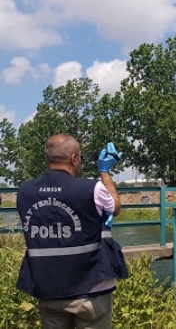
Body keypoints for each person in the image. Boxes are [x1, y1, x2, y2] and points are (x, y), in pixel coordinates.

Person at [16, 134, 127, 329]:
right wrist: (104, 171)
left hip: (48, 291)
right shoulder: (92, 189)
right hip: (90, 290)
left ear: (48, 158)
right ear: (74, 158)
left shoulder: (25, 191)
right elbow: (115, 207)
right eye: (81, 158)